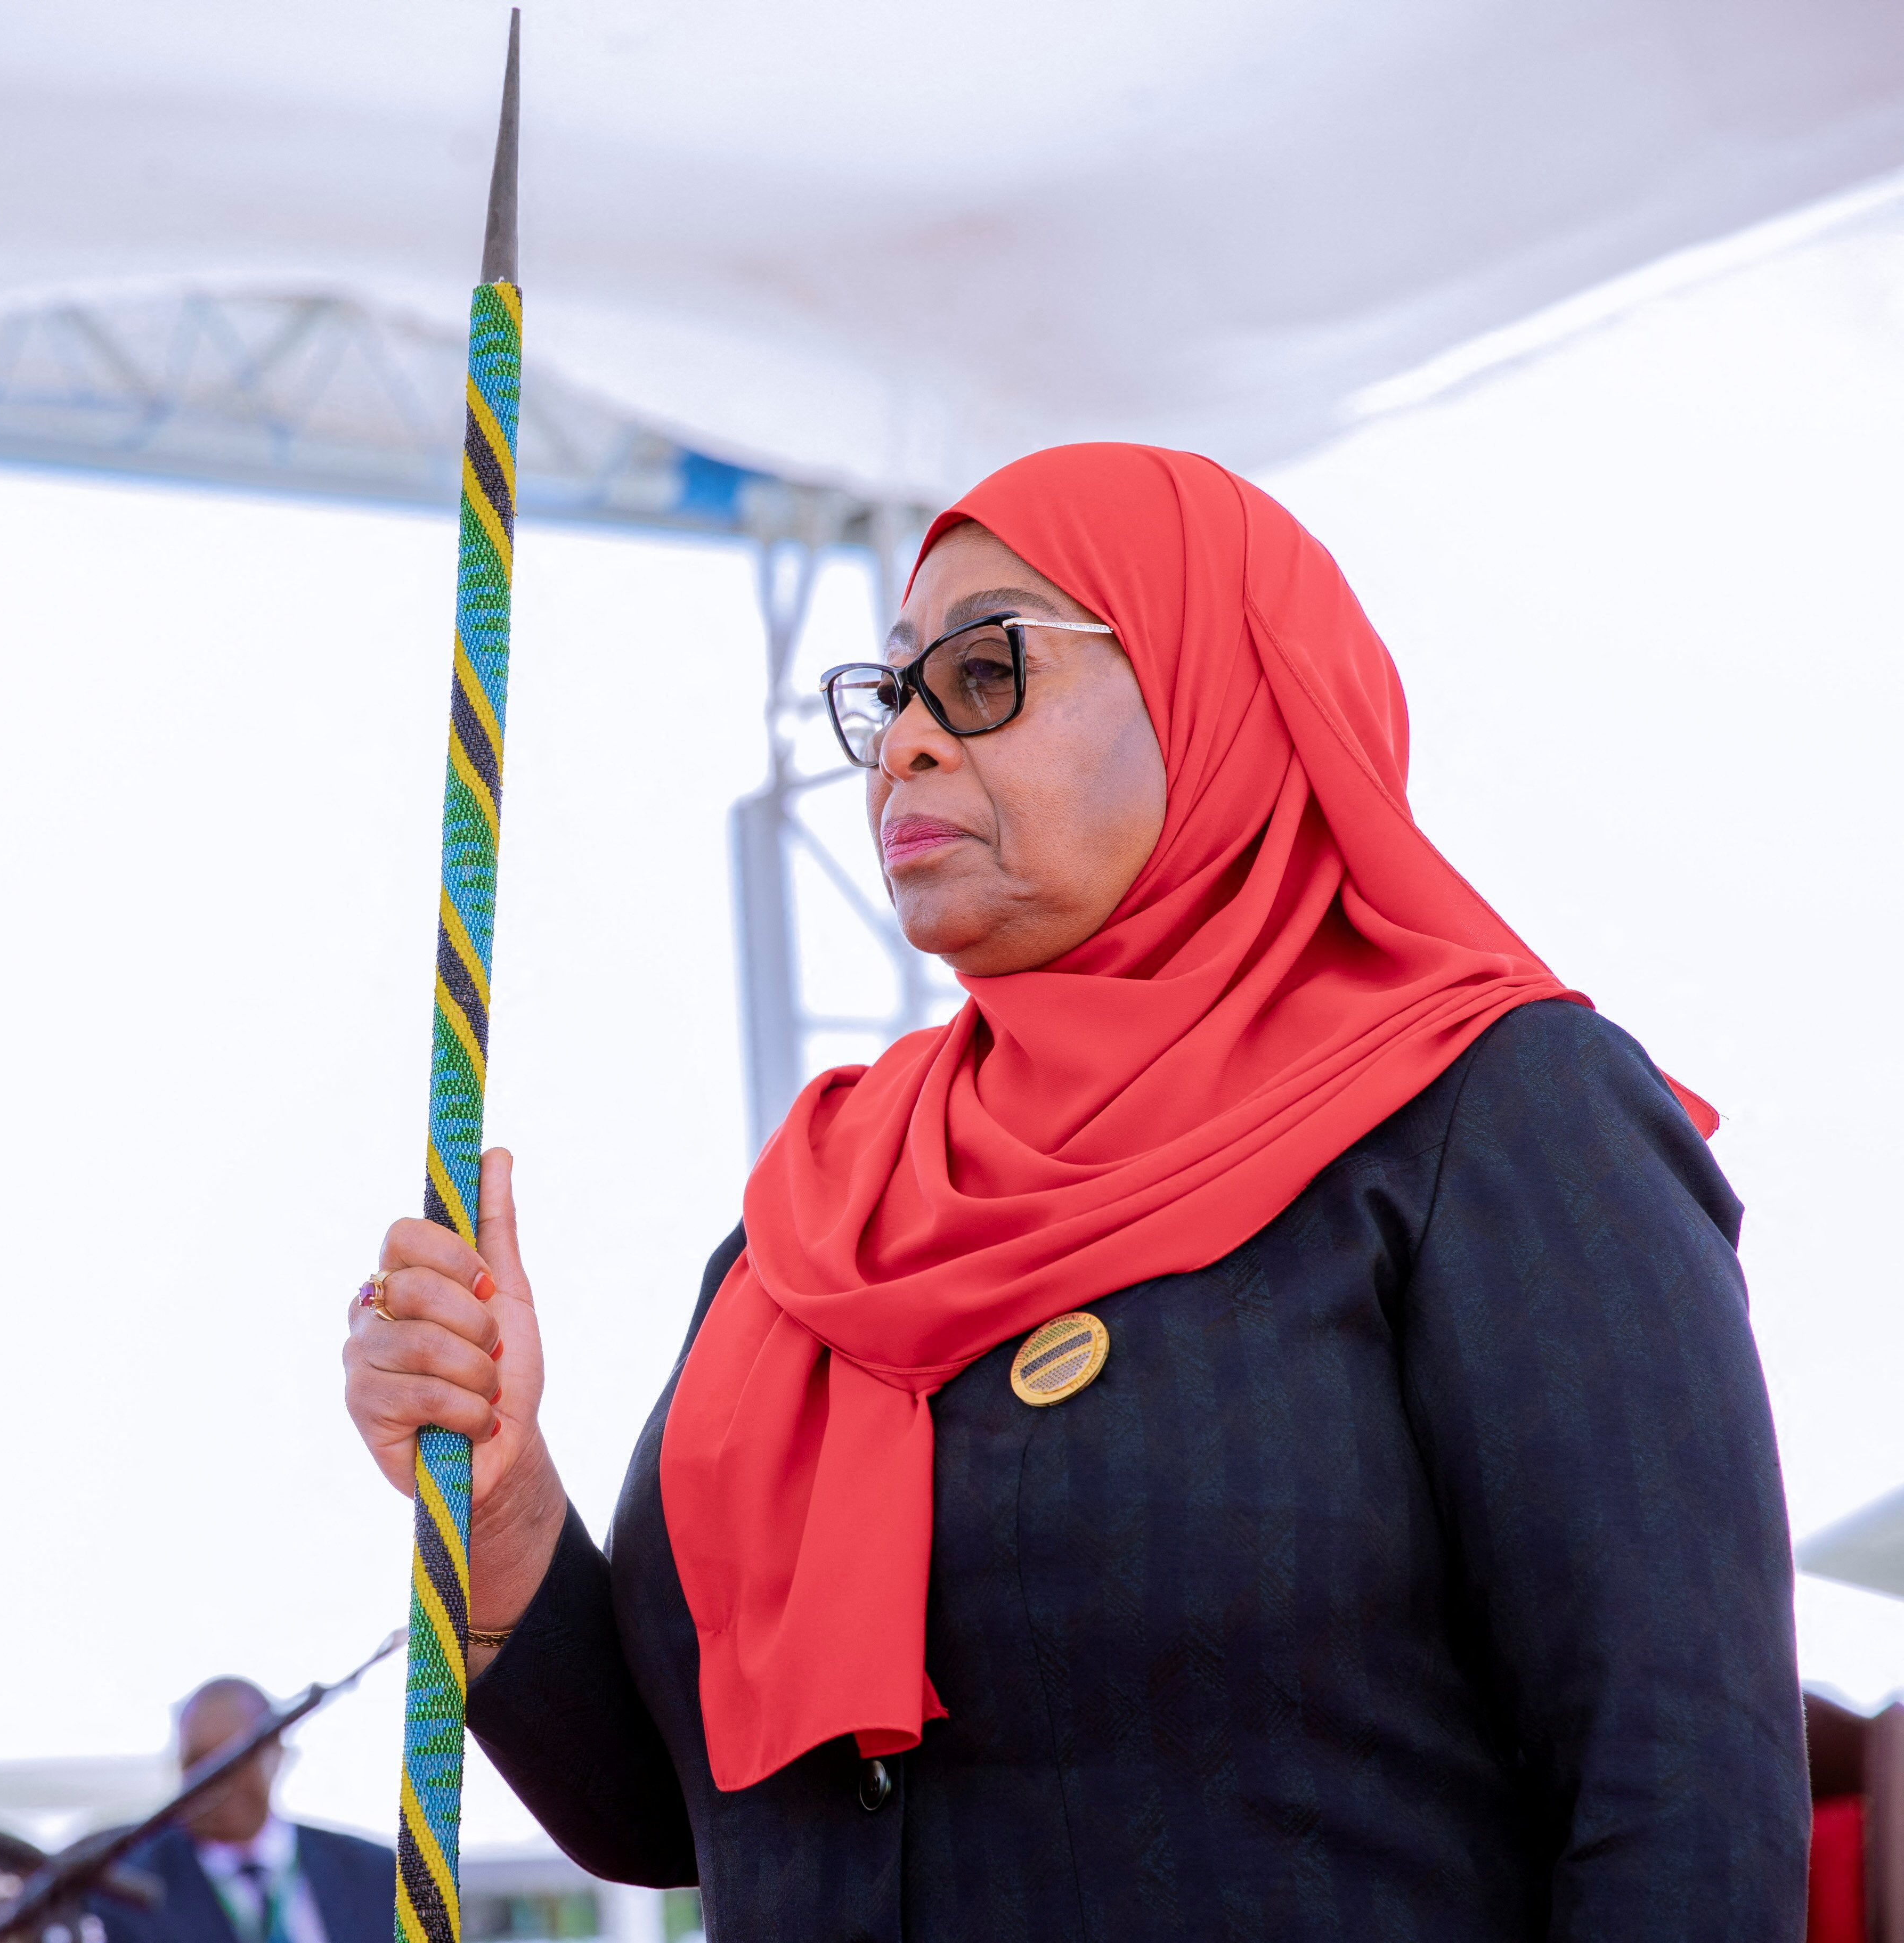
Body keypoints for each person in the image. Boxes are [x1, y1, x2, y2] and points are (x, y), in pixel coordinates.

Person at [342, 442, 1808, 1939]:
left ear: (1220, 688)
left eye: (984, 674)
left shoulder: (1492, 1116)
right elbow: (663, 1814)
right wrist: (506, 1496)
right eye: (892, 693)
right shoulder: (817, 1215)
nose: (906, 742)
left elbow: (1681, 1784)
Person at [88, 1680, 390, 1943]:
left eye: (235, 1757)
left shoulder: (377, 1874)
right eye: (198, 1762)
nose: (215, 1780)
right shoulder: (124, 1889)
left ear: (278, 1757)